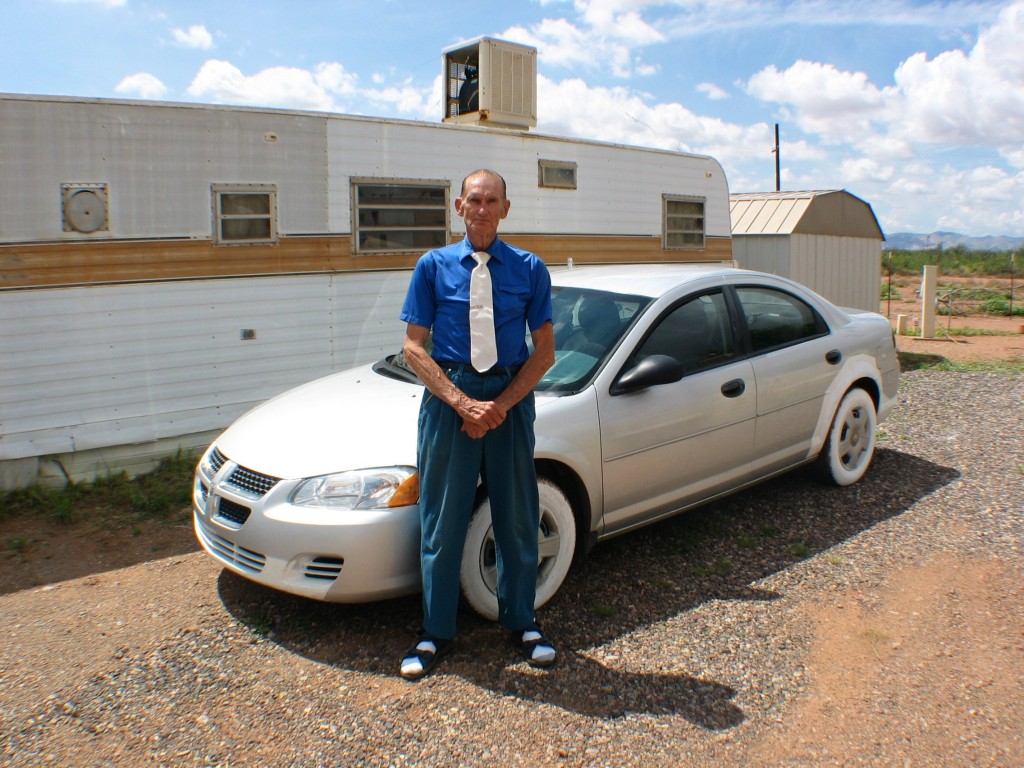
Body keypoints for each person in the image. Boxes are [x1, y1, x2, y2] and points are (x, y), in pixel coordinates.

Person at [397, 169, 557, 680]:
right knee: (442, 521)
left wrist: (500, 406)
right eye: (474, 200)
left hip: (510, 401)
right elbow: (413, 347)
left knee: (515, 516)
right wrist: (463, 403)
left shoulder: (530, 268)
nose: (482, 208)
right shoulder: (432, 266)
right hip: (449, 402)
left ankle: (523, 621)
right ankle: (434, 632)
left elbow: (545, 352)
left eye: (492, 200)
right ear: (457, 206)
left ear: (506, 209)